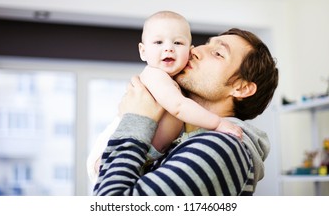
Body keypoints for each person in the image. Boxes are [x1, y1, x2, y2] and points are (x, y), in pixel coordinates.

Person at [93, 27, 279, 196]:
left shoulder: (221, 147)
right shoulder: (177, 139)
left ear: (241, 88)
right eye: (205, 44)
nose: (194, 50)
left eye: (217, 53)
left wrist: (136, 120)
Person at [87, 11, 243, 183]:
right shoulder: (155, 76)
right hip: (110, 149)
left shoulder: (180, 84)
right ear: (143, 51)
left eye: (177, 42)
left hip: (144, 157)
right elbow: (178, 107)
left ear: (190, 52)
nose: (168, 48)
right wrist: (218, 123)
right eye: (158, 42)